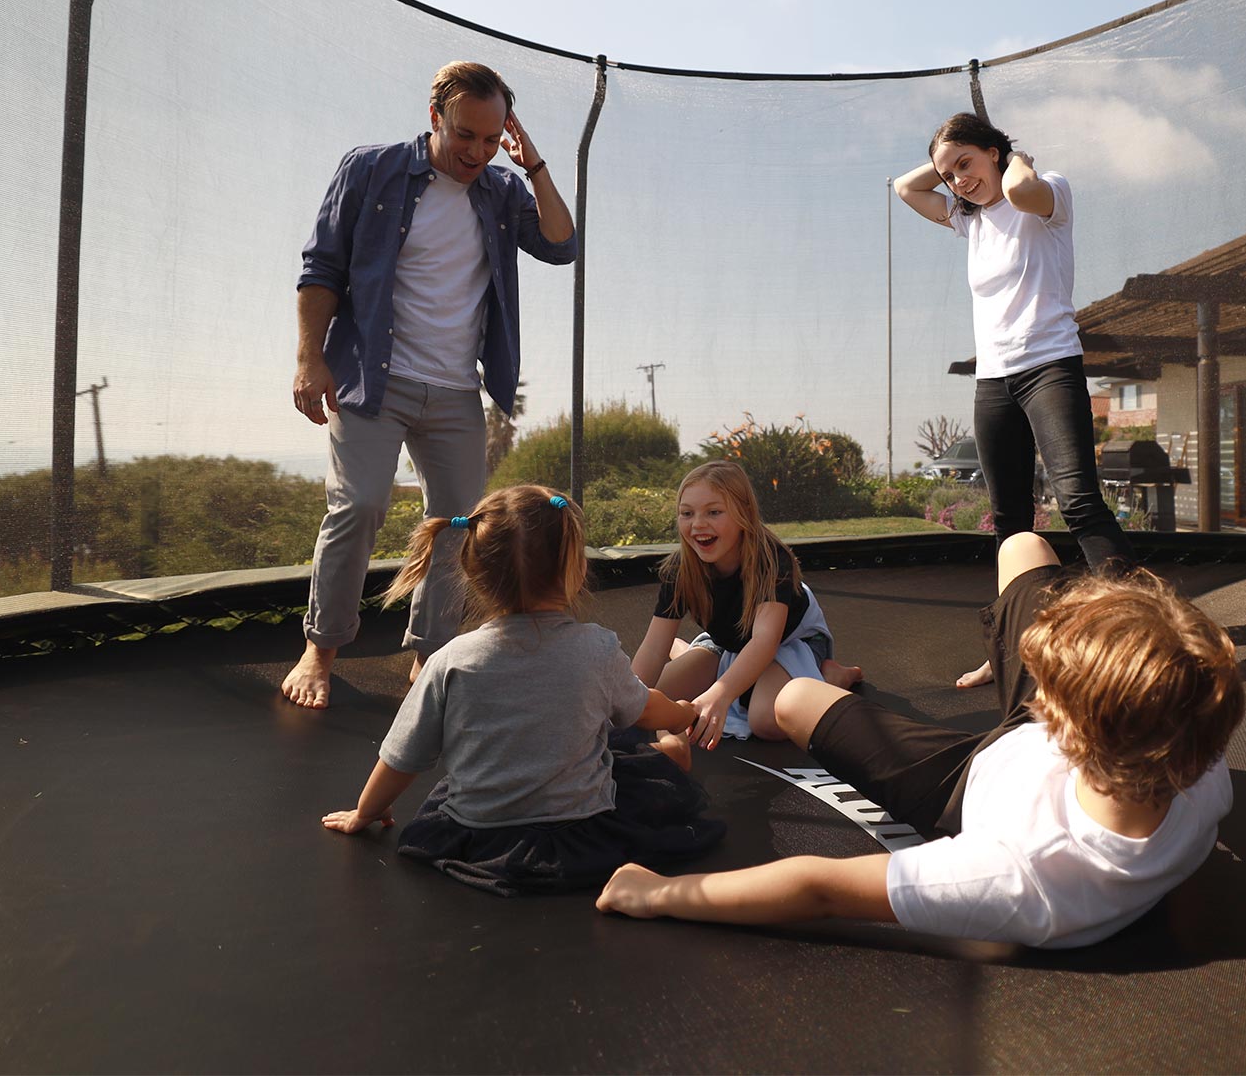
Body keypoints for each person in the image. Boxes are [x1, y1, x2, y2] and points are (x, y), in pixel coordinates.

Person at [596, 532, 1244, 949]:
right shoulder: (1198, 762)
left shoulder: (1021, 877)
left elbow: (818, 887)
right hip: (1058, 746)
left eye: (1048, 683)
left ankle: (798, 668)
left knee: (791, 700)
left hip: (963, 782)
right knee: (1022, 546)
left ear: (1063, 723)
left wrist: (656, 894)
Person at [284, 61, 577, 708]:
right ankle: (320, 646)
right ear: (434, 115)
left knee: (458, 527)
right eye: (464, 134)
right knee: (358, 505)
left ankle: (428, 655)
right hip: (372, 379)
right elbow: (321, 266)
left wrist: (532, 163)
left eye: (489, 137)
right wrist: (310, 358)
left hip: (454, 392)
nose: (476, 151)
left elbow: (562, 244)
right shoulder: (371, 169)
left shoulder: (500, 191)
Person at [322, 485, 725, 896]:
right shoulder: (596, 647)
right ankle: (669, 753)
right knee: (620, 740)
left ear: (474, 574)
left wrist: (365, 811)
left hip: (479, 835)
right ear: (576, 569)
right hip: (583, 827)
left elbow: (401, 757)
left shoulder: (450, 659)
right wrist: (683, 715)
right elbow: (648, 711)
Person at [893, 112, 1133, 687]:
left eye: (967, 165)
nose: (957, 181)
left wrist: (1008, 157)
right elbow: (906, 188)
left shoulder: (1049, 195)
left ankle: (1140, 636)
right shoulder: (967, 220)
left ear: (996, 151)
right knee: (1010, 523)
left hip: (1049, 366)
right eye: (949, 174)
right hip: (994, 381)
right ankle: (1013, 647)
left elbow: (1022, 189)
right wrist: (951, 160)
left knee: (1078, 502)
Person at [631, 460, 863, 749]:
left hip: (788, 642)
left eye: (714, 512)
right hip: (729, 644)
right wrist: (625, 702)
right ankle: (690, 652)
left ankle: (832, 677)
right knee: (652, 700)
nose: (698, 524)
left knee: (766, 720)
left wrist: (720, 694)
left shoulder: (770, 560)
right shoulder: (680, 569)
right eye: (686, 513)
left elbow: (765, 642)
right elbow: (654, 648)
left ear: (744, 514)